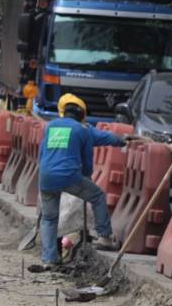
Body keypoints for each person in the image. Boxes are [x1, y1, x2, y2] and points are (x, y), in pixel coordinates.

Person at [37, 94, 128, 268]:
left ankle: (49, 259)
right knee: (97, 196)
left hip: (45, 175)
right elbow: (87, 161)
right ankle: (104, 236)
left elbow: (42, 153)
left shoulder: (51, 126)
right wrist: (86, 175)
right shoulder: (82, 130)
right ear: (82, 116)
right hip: (68, 175)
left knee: (49, 218)